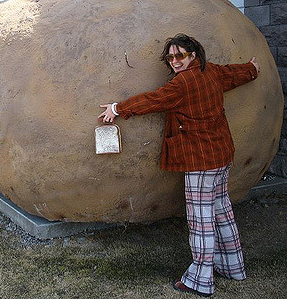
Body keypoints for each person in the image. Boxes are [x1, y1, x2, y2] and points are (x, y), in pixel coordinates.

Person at [98, 34, 259, 297]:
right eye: (170, 57)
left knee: (201, 220)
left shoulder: (182, 84)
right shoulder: (212, 72)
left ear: (193, 56)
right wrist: (252, 69)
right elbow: (234, 74)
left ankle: (201, 280)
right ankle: (233, 266)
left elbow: (153, 100)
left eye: (180, 56)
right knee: (222, 210)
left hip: (200, 160)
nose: (175, 61)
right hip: (222, 155)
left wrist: (118, 108)